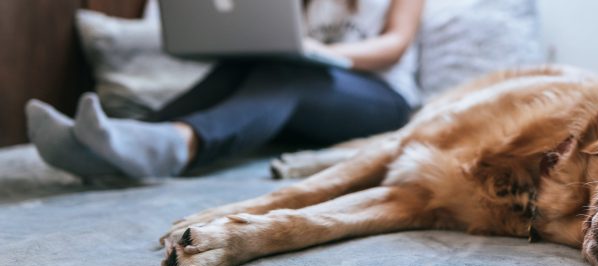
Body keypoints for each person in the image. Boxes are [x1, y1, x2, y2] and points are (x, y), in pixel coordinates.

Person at [25, 0, 424, 179]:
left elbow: (396, 45)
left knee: (290, 76)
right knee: (257, 64)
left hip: (382, 100)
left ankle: (180, 145)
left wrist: (326, 52)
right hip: (314, 94)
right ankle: (117, 143)